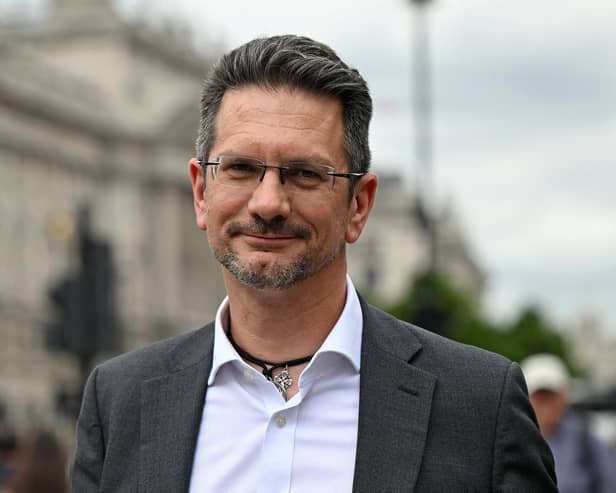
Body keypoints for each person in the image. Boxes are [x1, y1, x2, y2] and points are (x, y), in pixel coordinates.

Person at [71, 34, 557, 492]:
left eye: (304, 174)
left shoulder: (479, 404)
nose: (267, 203)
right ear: (201, 192)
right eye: (240, 168)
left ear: (358, 205)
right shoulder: (120, 401)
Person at [521, 353, 616, 493]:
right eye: (540, 397)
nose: (546, 404)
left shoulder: (587, 440)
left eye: (551, 396)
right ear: (525, 399)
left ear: (564, 397)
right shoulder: (510, 440)